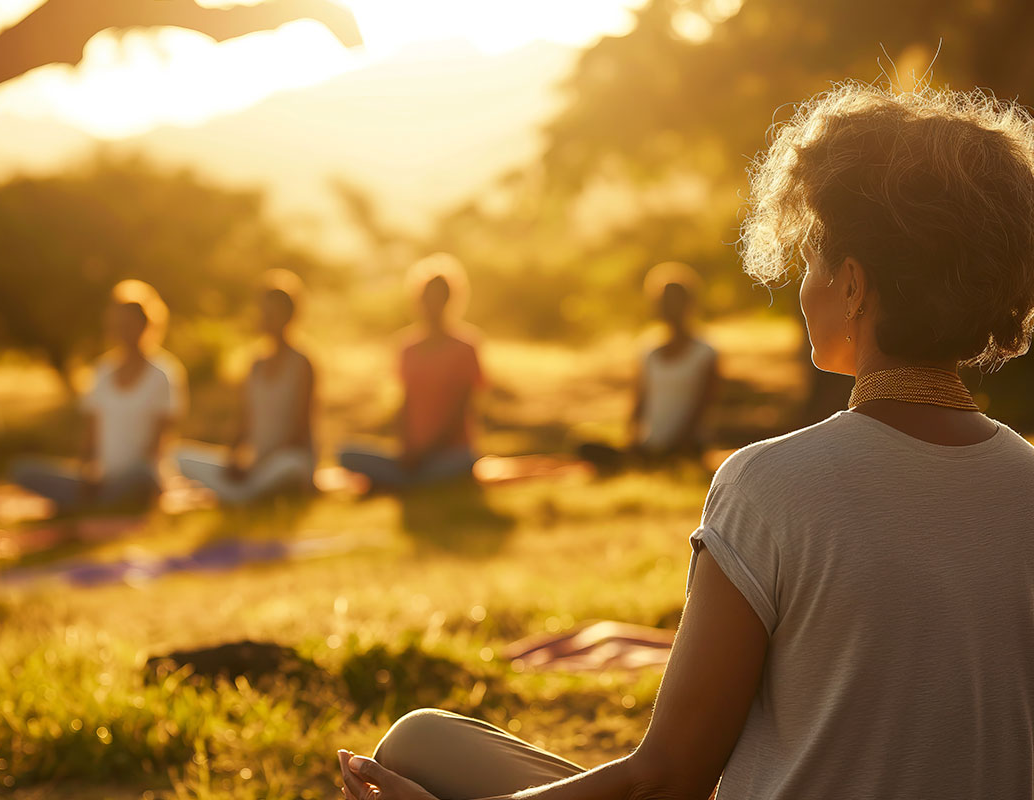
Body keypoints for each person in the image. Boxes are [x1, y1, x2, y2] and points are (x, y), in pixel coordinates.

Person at [336, 82, 1034, 800]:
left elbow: (669, 778)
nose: (804, 286)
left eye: (812, 261)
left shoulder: (771, 484)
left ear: (853, 285)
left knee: (418, 742)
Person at [13, 281, 185, 512]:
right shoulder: (102, 372)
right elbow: (91, 436)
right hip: (102, 478)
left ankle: (93, 499)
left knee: (143, 477)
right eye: (118, 325)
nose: (123, 331)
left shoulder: (164, 373)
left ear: (146, 325)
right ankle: (98, 497)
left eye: (129, 324)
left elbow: (158, 445)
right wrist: (88, 472)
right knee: (22, 470)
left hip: (141, 475)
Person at [339, 254, 484, 490]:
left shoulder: (466, 347)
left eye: (439, 298)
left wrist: (426, 451)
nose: (432, 304)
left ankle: (401, 481)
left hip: (451, 452)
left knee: (459, 464)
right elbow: (404, 402)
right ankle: (410, 479)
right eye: (428, 297)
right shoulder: (407, 347)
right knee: (346, 454)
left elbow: (462, 408)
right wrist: (408, 448)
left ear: (450, 300)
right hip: (414, 454)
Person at [175, 271, 316, 503]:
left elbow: (300, 432)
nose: (265, 317)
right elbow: (245, 421)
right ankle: (244, 492)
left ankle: (241, 494)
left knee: (289, 466)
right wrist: (233, 458)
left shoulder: (303, 364)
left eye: (272, 313)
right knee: (177, 457)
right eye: (263, 311)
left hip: (285, 460)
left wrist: (261, 463)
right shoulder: (255, 365)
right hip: (256, 466)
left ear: (289, 315)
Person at [579, 262, 719, 471]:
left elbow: (703, 407)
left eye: (674, 301)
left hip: (686, 446)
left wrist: (679, 442)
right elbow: (639, 402)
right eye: (663, 302)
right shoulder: (648, 351)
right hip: (650, 445)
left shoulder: (705, 353)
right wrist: (633, 439)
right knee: (584, 446)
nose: (668, 307)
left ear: (688, 303)